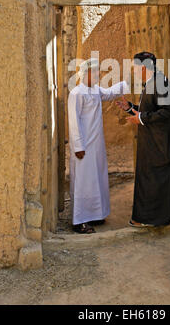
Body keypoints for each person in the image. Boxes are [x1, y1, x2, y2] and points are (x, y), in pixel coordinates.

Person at [116, 51, 170, 227]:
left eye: (135, 67)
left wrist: (140, 119)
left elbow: (167, 111)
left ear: (143, 68)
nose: (133, 70)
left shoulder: (160, 83)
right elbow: (149, 109)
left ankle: (143, 219)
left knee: (152, 179)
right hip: (154, 142)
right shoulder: (152, 82)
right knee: (158, 179)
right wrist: (130, 108)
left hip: (160, 144)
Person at [68, 58, 129, 234]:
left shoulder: (94, 90)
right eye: (94, 73)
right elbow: (74, 122)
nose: (97, 75)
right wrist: (78, 146)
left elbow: (110, 93)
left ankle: (95, 215)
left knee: (96, 180)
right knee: (83, 182)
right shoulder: (77, 93)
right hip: (83, 148)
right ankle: (79, 221)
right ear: (85, 73)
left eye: (97, 72)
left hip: (96, 146)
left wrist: (127, 82)